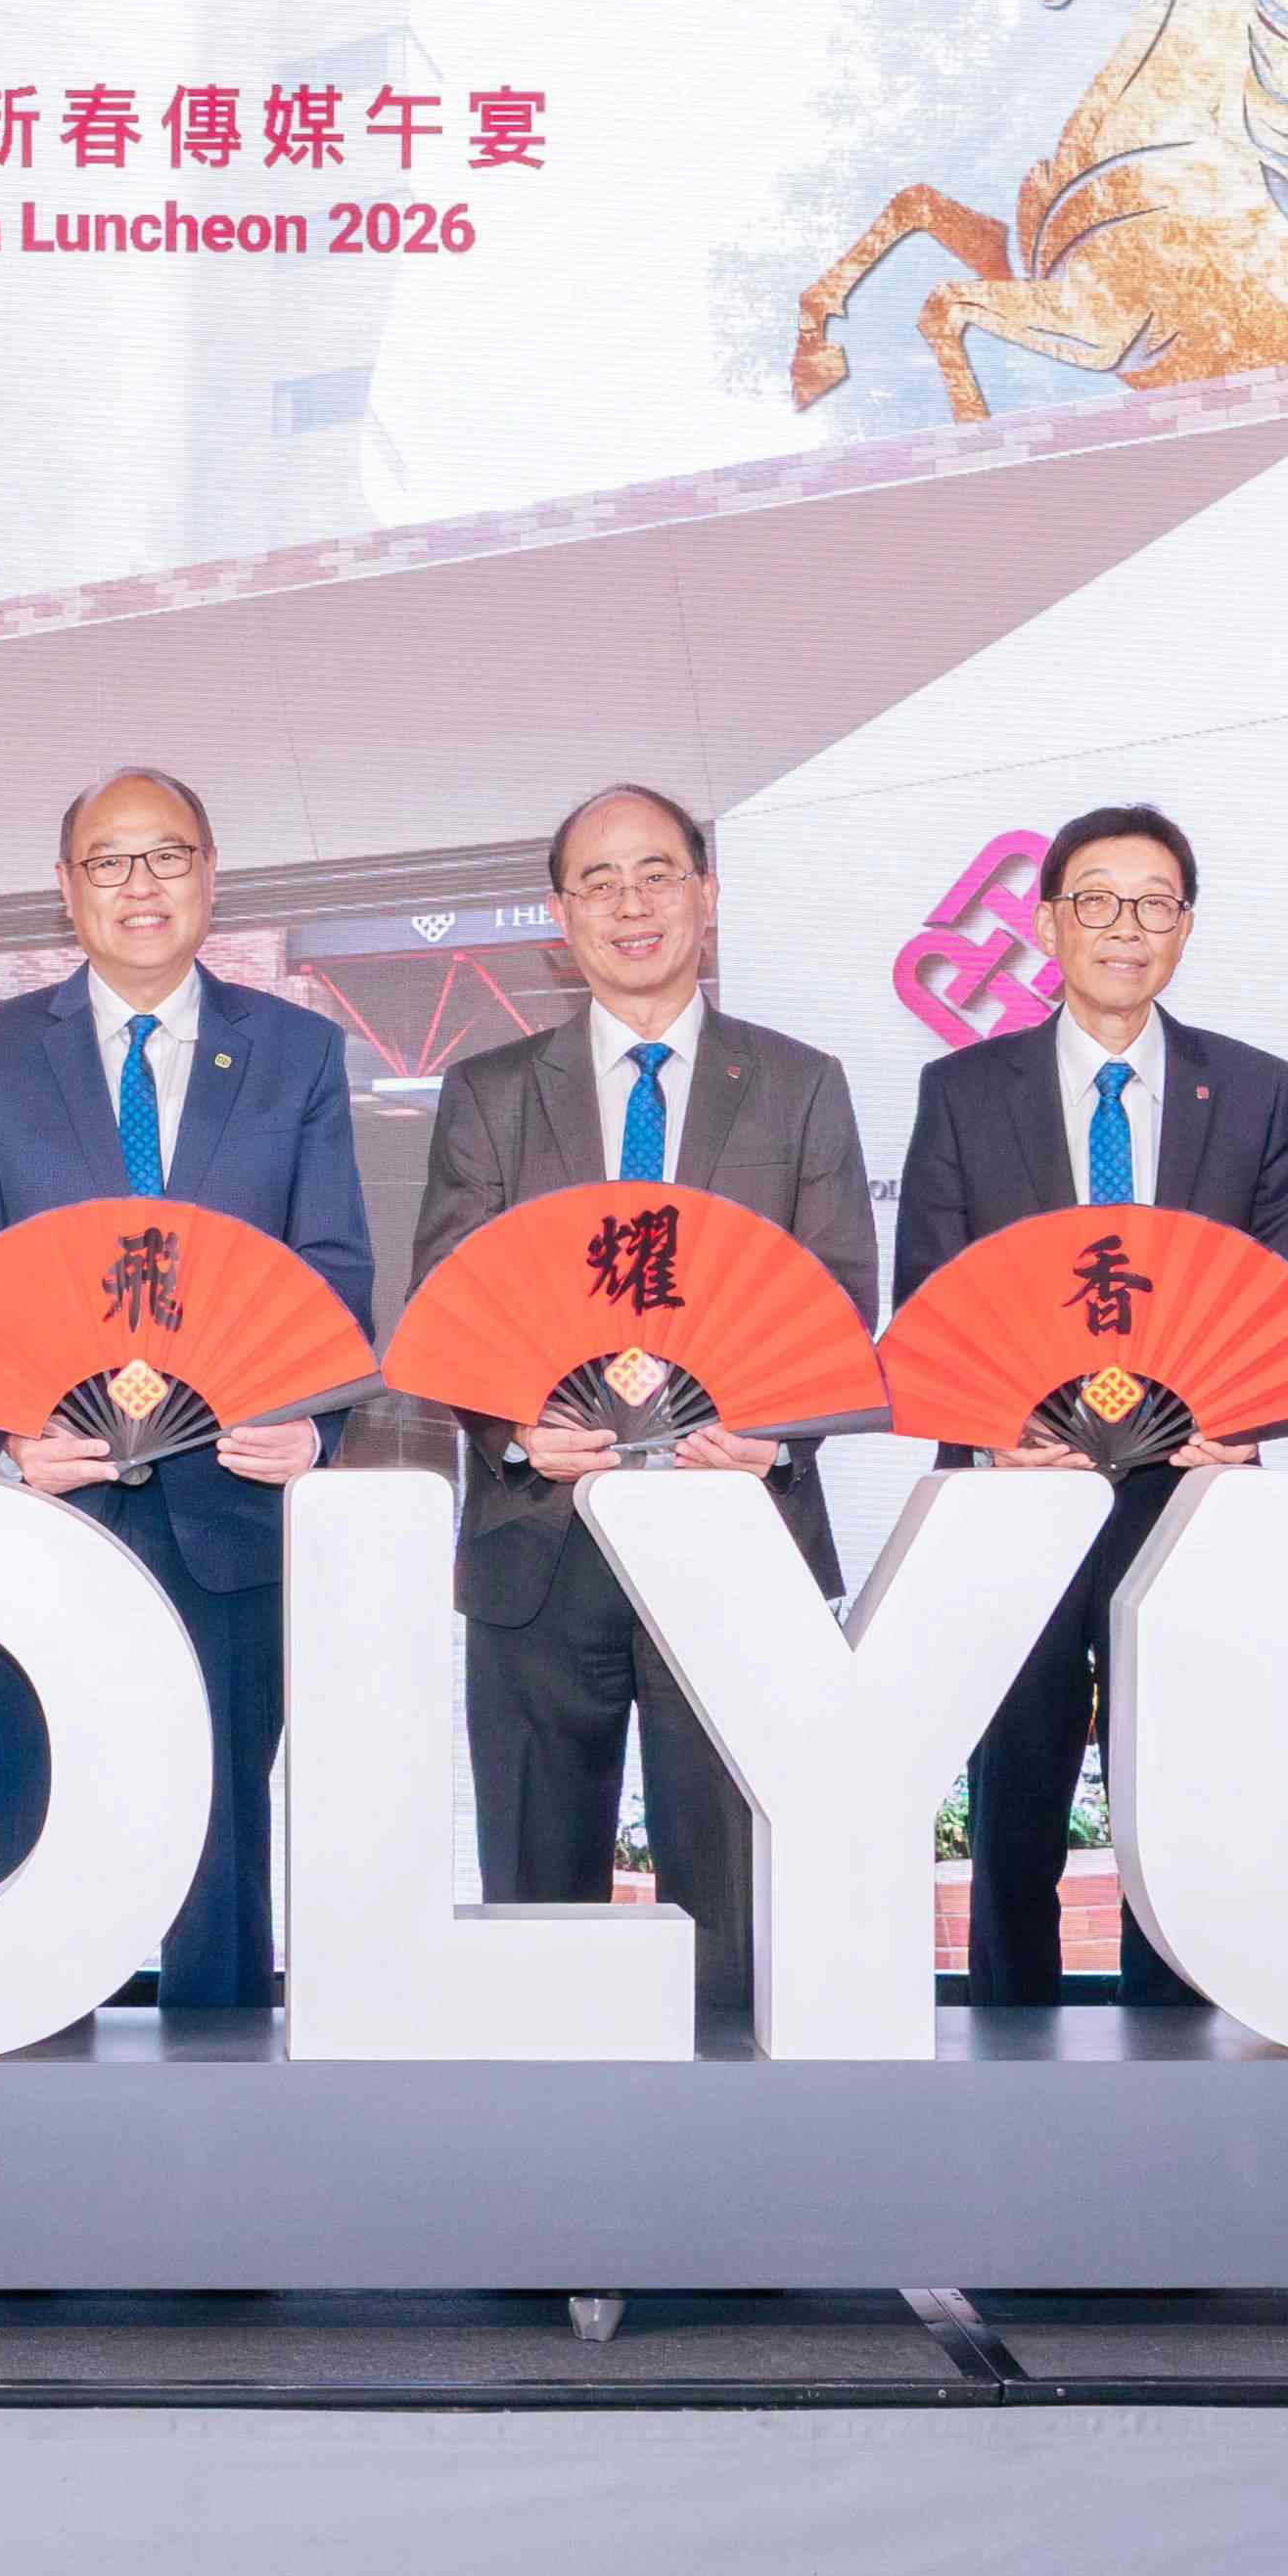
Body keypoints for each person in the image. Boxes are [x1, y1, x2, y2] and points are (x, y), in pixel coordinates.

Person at [0, 768, 374, 2015]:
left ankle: (217, 2108)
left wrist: (313, 1423)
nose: (139, 884)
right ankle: (29, 2079)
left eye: (165, 855)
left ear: (209, 875)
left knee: (219, 1852)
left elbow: (330, 1267)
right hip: (43, 1506)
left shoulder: (293, 1051)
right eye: (108, 860)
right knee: (37, 1828)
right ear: (66, 889)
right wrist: (11, 1432)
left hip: (228, 1510)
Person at [419, 785, 876, 2016]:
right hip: (538, 1543)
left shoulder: (796, 1084)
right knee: (534, 1906)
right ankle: (540, 2120)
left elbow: (835, 1292)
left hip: (735, 1532)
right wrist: (513, 1429)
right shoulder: (488, 1092)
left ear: (705, 896)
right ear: (560, 915)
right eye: (599, 880)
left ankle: (732, 2124)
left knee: (733, 1913)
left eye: (657, 873)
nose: (631, 903)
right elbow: (451, 1300)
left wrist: (776, 1430)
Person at [892, 802, 1288, 2014]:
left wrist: (1247, 1412)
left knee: (1177, 1799)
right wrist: (994, 1429)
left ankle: (1175, 2057)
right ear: (1045, 923)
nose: (1124, 926)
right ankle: (1006, 2049)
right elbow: (930, 1289)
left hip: (1186, 1496)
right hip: (1016, 1494)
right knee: (1012, 1795)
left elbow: (1274, 1297)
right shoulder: (963, 1089)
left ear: (1184, 925)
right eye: (1095, 900)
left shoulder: (1254, 1090)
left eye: (1152, 903)